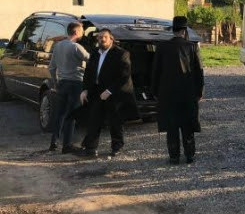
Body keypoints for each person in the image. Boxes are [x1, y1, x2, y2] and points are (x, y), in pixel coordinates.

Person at [77, 28, 138, 158]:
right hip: (97, 91)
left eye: (105, 37)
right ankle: (91, 149)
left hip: (114, 92)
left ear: (111, 39)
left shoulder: (121, 53)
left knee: (115, 121)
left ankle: (117, 147)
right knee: (94, 119)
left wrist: (110, 90)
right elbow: (88, 72)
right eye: (100, 37)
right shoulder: (94, 53)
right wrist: (85, 89)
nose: (102, 39)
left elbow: (125, 75)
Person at [151, 16, 204, 165]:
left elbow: (155, 71)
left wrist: (155, 91)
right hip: (187, 93)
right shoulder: (192, 47)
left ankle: (174, 156)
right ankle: (189, 155)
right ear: (184, 30)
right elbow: (198, 72)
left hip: (167, 93)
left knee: (171, 126)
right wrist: (199, 91)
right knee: (187, 125)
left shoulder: (162, 47)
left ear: (173, 30)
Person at [48, 21, 89, 153]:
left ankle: (53, 143)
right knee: (71, 114)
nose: (83, 33)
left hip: (62, 83)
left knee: (60, 114)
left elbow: (51, 68)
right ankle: (67, 145)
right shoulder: (76, 47)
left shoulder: (58, 46)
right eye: (82, 31)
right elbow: (91, 59)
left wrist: (56, 83)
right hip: (76, 83)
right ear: (76, 32)